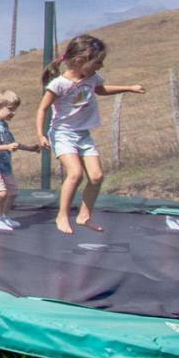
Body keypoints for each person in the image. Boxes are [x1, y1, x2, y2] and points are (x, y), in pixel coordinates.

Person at [35, 34, 145, 234]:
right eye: (98, 62)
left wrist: (128, 88)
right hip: (63, 134)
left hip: (83, 135)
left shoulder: (91, 78)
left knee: (96, 177)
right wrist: (41, 135)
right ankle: (62, 215)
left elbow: (100, 89)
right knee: (75, 174)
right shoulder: (59, 84)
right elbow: (42, 109)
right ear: (79, 61)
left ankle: (84, 215)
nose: (100, 67)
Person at [0, 90, 39, 231]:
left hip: (4, 164)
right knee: (2, 193)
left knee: (13, 192)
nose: (14, 113)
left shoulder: (4, 125)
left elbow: (13, 144)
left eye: (15, 110)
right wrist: (6, 147)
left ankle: (4, 215)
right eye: (10, 109)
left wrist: (31, 148)